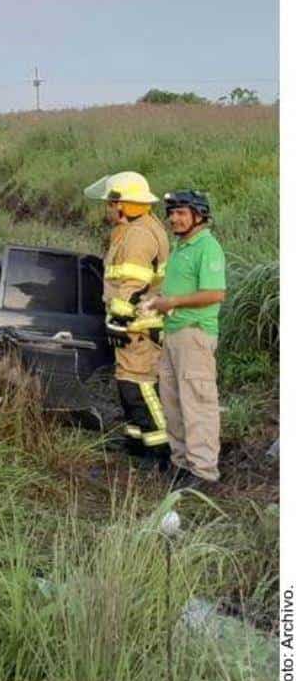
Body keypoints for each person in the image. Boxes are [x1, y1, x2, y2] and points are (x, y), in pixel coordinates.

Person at [84, 171, 170, 465]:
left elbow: (133, 285)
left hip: (139, 327)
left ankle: (160, 448)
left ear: (125, 205)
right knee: (127, 384)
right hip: (134, 325)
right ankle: (137, 441)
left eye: (111, 203)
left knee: (140, 387)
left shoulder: (139, 235)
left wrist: (118, 320)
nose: (107, 208)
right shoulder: (132, 228)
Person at [143, 191, 227, 491]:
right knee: (173, 400)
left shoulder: (207, 247)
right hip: (174, 334)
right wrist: (157, 301)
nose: (174, 218)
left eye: (181, 213)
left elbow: (216, 293)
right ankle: (181, 463)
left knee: (198, 403)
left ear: (199, 215)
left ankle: (204, 472)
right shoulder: (181, 246)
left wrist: (174, 301)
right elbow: (176, 290)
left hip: (194, 334)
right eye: (172, 213)